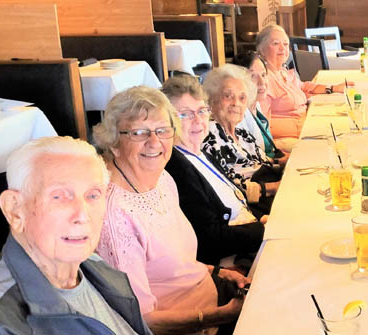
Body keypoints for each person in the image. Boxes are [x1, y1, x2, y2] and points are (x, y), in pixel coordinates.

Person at [92, 86, 249, 334]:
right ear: (113, 141)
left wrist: (219, 272)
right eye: (139, 132)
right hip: (191, 325)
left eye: (163, 130)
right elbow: (141, 320)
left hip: (210, 294)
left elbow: (174, 260)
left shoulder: (162, 177)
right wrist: (219, 316)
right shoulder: (114, 215)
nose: (154, 142)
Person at [0, 137, 151, 335]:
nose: (82, 215)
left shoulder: (95, 265)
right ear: (15, 210)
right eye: (59, 196)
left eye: (93, 195)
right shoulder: (4, 323)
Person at [161, 75, 265, 269]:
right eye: (185, 114)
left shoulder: (200, 152)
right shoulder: (176, 169)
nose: (198, 121)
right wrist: (261, 230)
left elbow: (236, 200)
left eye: (202, 111)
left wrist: (261, 220)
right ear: (166, 121)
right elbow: (209, 240)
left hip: (249, 237)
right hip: (232, 260)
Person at [201, 64, 281, 215]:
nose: (236, 103)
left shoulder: (241, 132)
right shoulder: (211, 136)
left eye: (242, 98)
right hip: (257, 208)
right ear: (211, 100)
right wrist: (277, 187)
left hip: (272, 192)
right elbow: (231, 189)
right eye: (228, 96)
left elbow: (264, 162)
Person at [255, 24, 346, 150]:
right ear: (262, 49)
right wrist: (275, 155)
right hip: (290, 140)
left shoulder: (282, 71)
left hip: (307, 127)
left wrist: (332, 88)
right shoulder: (264, 80)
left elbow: (302, 86)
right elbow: (261, 124)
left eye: (286, 44)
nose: (282, 48)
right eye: (276, 43)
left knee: (344, 128)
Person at [235, 51, 288, 161]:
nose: (262, 81)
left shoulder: (256, 105)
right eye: (252, 76)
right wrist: (282, 162)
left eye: (263, 75)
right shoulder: (238, 116)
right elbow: (250, 161)